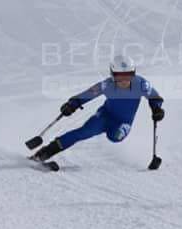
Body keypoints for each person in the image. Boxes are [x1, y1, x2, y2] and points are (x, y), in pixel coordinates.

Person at [30, 55, 164, 162]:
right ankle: (44, 153)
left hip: (123, 123)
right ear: (112, 75)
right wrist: (73, 104)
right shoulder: (107, 85)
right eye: (119, 76)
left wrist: (157, 109)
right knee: (82, 132)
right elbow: (87, 95)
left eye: (128, 75)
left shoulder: (141, 84)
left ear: (133, 74)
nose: (124, 80)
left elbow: (155, 98)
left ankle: (114, 132)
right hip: (104, 116)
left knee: (115, 137)